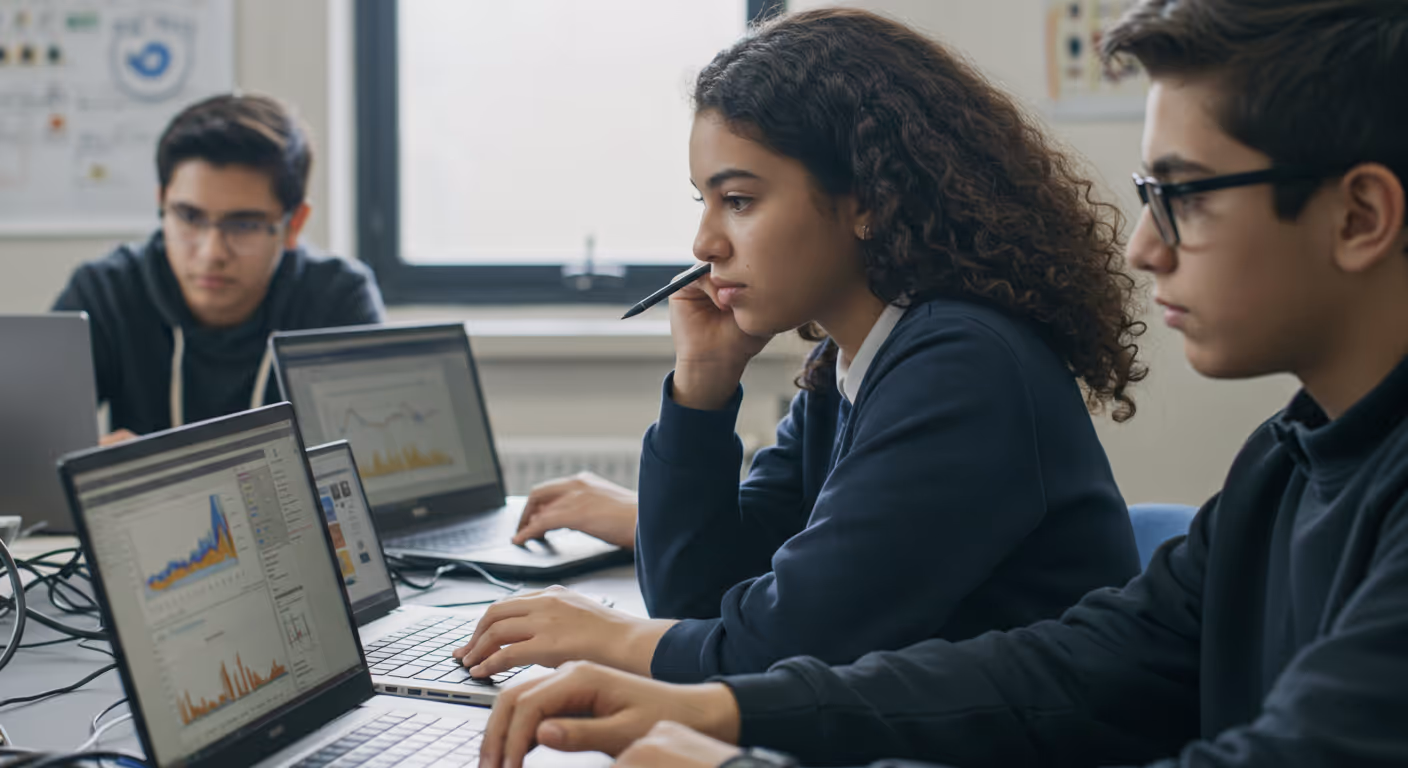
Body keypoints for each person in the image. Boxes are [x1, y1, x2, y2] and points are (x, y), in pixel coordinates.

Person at [473, 1, 1408, 766]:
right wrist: (728, 713)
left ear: (1361, 215)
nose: (1143, 245)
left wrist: (725, 731)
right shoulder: (1289, 461)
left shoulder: (964, 360)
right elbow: (1059, 671)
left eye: (1187, 195)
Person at [455, 7, 1148, 686]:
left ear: (869, 200)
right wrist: (702, 385)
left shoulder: (962, 366)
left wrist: (605, 635)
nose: (704, 245)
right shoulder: (849, 366)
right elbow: (696, 597)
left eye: (740, 200)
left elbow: (785, 649)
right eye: (703, 200)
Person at [53, 93, 385, 442]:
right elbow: (25, 443)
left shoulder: (338, 300)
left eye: (244, 225)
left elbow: (378, 460)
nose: (211, 252)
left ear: (294, 225)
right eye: (189, 217)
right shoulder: (106, 292)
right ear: (161, 204)